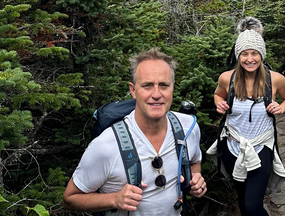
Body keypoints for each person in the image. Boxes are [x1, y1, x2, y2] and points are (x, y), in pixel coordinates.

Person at [63, 48, 207, 215]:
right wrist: (114, 199)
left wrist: (195, 178)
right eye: (147, 85)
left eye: (164, 85)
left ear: (172, 88)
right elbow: (70, 198)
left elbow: (195, 160)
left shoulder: (188, 127)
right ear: (133, 90)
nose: (156, 94)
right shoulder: (106, 145)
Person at [208, 17, 285, 216]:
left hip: (261, 146)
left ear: (261, 55)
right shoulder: (227, 78)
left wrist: (281, 108)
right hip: (232, 145)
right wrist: (219, 104)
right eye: (245, 54)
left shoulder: (275, 79)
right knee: (242, 200)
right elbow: (217, 95)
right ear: (238, 56)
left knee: (252, 205)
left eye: (255, 53)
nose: (250, 58)